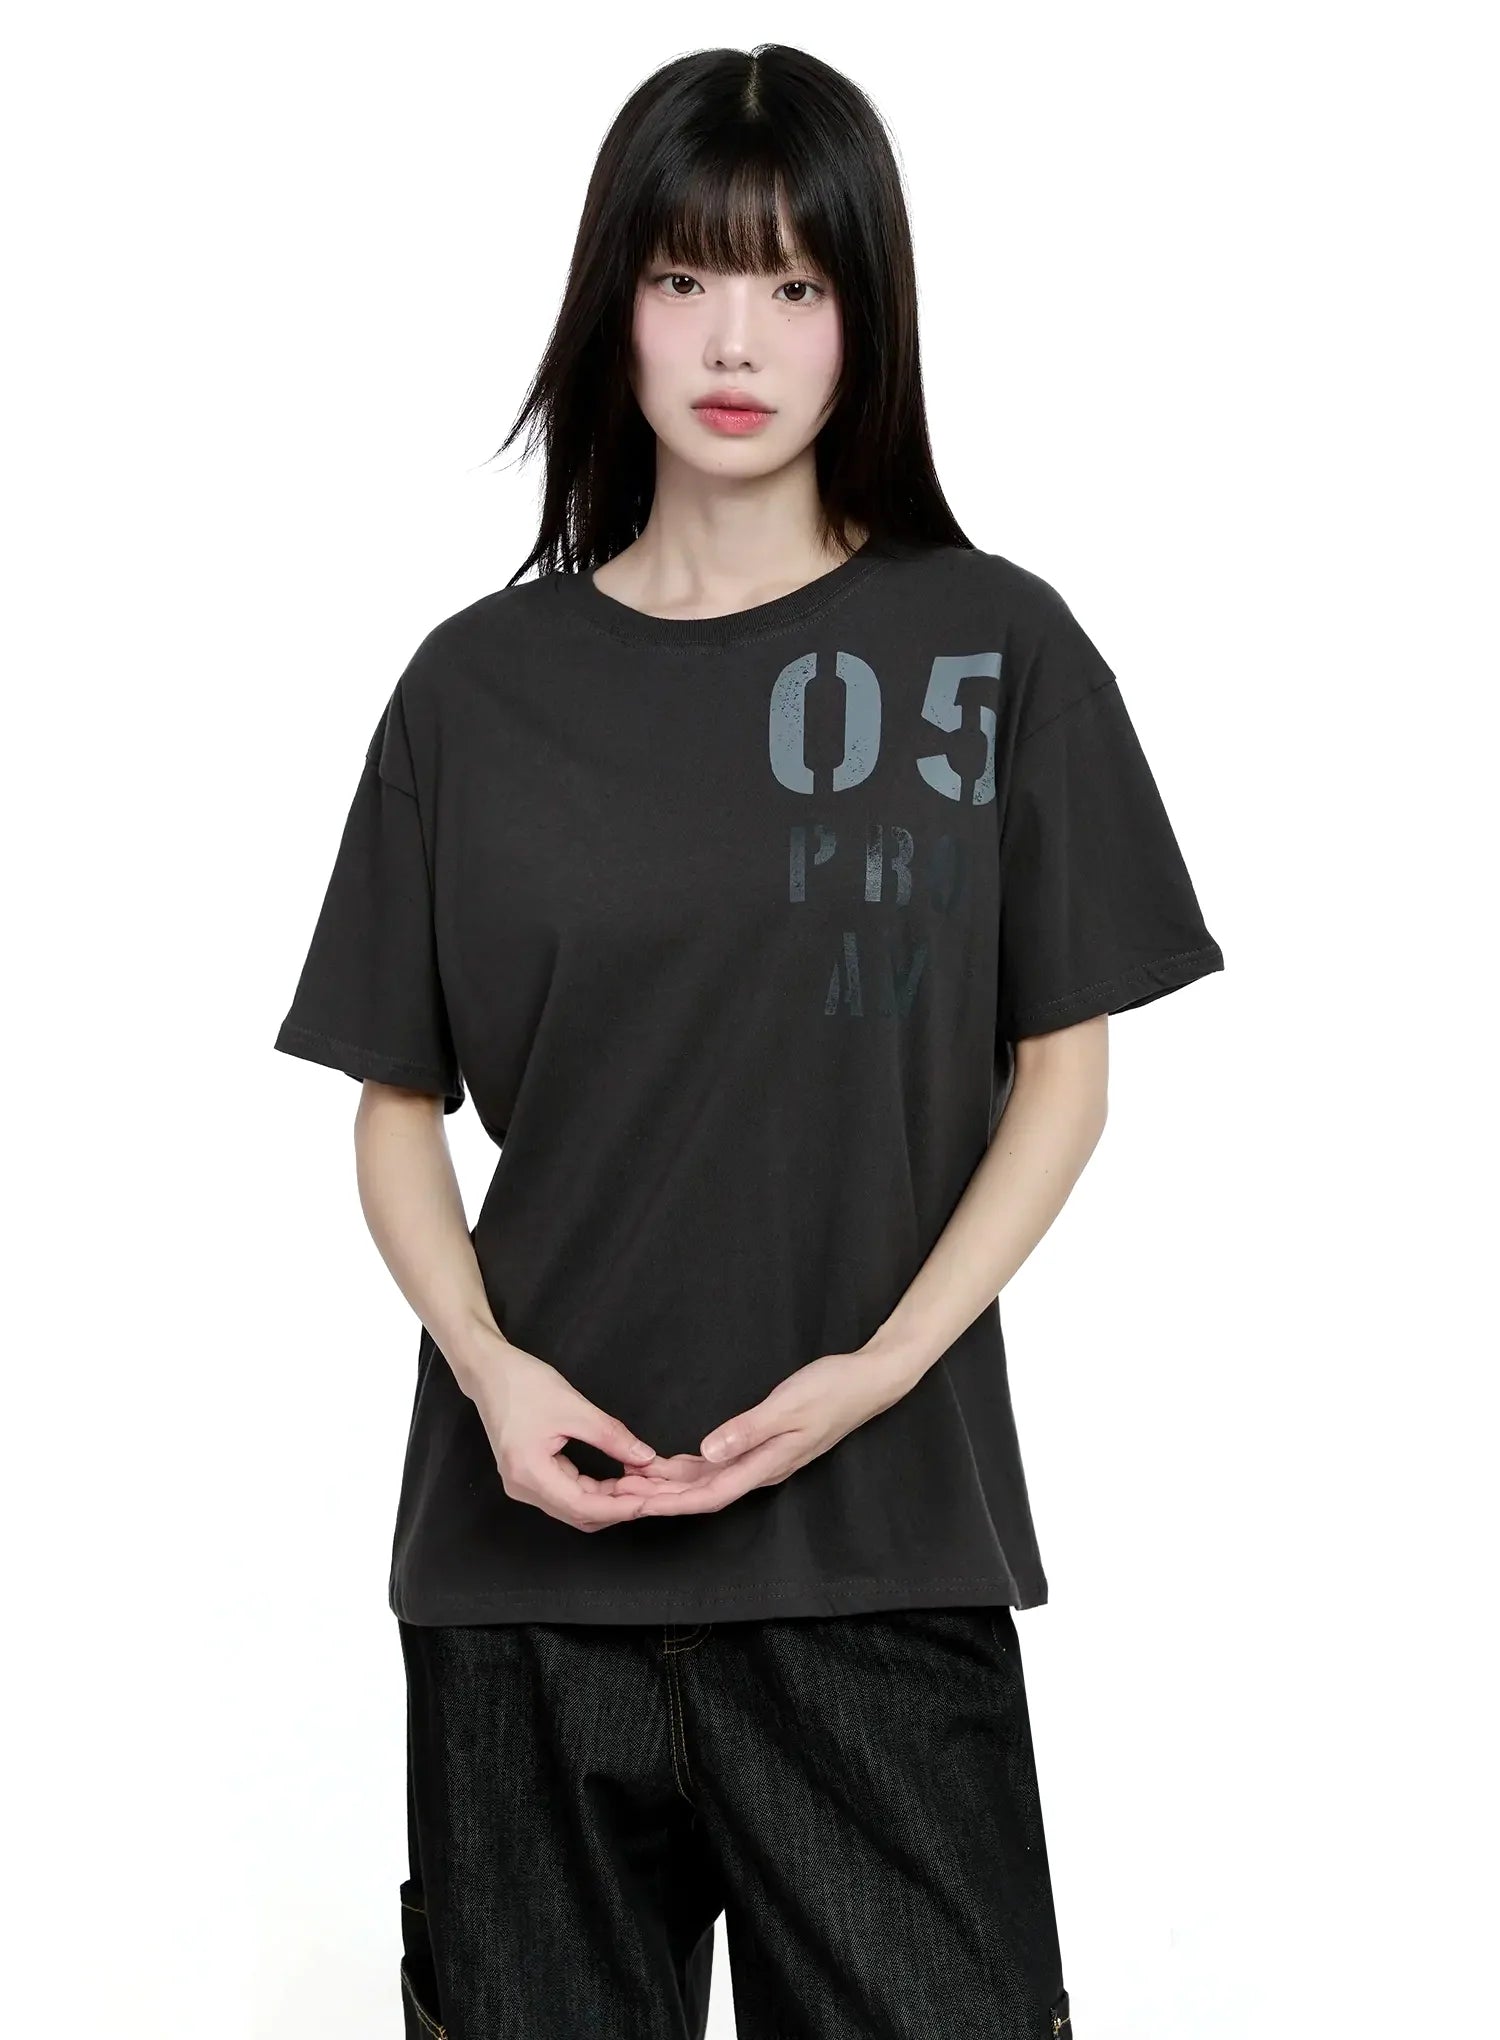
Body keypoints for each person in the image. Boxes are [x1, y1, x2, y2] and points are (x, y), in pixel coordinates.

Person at [273, 42, 1224, 2040]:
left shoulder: (993, 651)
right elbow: (393, 1102)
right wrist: (492, 1375)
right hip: (529, 1578)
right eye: (688, 276)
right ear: (612, 302)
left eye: (797, 284)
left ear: (866, 321)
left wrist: (885, 1368)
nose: (737, 339)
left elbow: (1064, 1076)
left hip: (880, 1561)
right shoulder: (473, 690)